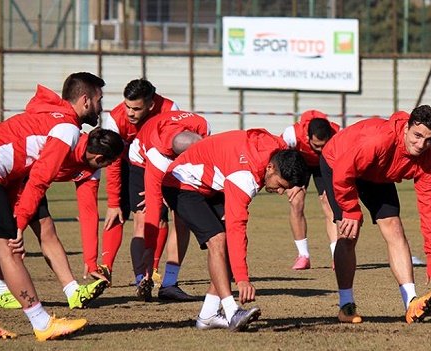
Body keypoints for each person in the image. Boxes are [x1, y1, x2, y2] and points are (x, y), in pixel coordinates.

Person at [0, 72, 105, 341]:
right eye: (99, 99)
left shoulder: (49, 116)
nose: (102, 106)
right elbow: (39, 179)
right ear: (85, 100)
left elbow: (18, 167)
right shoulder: (67, 128)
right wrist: (20, 223)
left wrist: (14, 213)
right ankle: (42, 322)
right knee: (9, 247)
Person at [161, 129, 308, 331]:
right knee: (219, 240)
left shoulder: (277, 150)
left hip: (210, 186)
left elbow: (292, 155)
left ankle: (208, 316)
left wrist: (300, 184)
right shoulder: (244, 177)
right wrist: (242, 279)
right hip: (179, 183)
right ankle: (232, 312)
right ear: (271, 167)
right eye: (281, 185)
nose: (281, 192)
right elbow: (237, 229)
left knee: (225, 245)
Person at [320, 105, 431, 324]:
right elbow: (343, 171)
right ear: (407, 128)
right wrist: (350, 209)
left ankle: (411, 304)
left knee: (394, 227)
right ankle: (346, 306)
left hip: (377, 173)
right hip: (338, 163)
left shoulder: (427, 157)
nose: (421, 144)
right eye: (417, 136)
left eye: (429, 140)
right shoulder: (378, 140)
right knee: (349, 233)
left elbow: (430, 208)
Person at [0, 129, 124, 310]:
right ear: (100, 158)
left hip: (31, 183)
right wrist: (20, 222)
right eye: (108, 163)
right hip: (4, 176)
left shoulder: (91, 167)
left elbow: (88, 213)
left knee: (46, 228)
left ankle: (73, 292)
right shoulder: (64, 142)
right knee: (3, 234)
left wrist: (91, 262)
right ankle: (1, 291)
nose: (108, 167)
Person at [99, 78, 188, 297]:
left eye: (136, 108)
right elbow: (113, 162)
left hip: (161, 166)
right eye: (127, 106)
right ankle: (118, 272)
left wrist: (164, 186)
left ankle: (155, 273)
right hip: (130, 165)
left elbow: (176, 151)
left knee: (161, 218)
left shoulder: (169, 109)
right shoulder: (115, 118)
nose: (129, 113)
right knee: (128, 216)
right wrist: (113, 201)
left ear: (150, 105)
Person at [129, 110, 210, 301]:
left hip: (178, 162)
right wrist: (150, 248)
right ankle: (142, 280)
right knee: (145, 217)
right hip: (141, 161)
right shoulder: (158, 156)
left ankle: (169, 285)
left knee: (183, 218)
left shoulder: (203, 128)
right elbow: (154, 209)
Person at [280, 109, 340, 270]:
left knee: (330, 203)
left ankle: (337, 255)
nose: (320, 149)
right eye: (316, 145)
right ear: (307, 137)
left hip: (325, 165)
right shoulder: (291, 134)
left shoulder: (338, 133)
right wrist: (288, 181)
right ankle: (303, 255)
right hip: (300, 163)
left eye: (324, 145)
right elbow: (281, 157)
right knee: (296, 201)